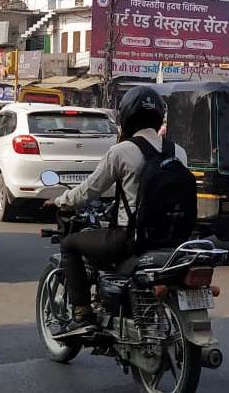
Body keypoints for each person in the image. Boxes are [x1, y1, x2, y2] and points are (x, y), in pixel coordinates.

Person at [43, 86, 187, 336]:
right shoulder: (178, 152)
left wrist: (60, 201)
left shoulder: (122, 152)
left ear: (126, 117)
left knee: (70, 244)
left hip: (129, 240)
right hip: (172, 238)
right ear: (159, 116)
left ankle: (82, 314)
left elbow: (88, 191)